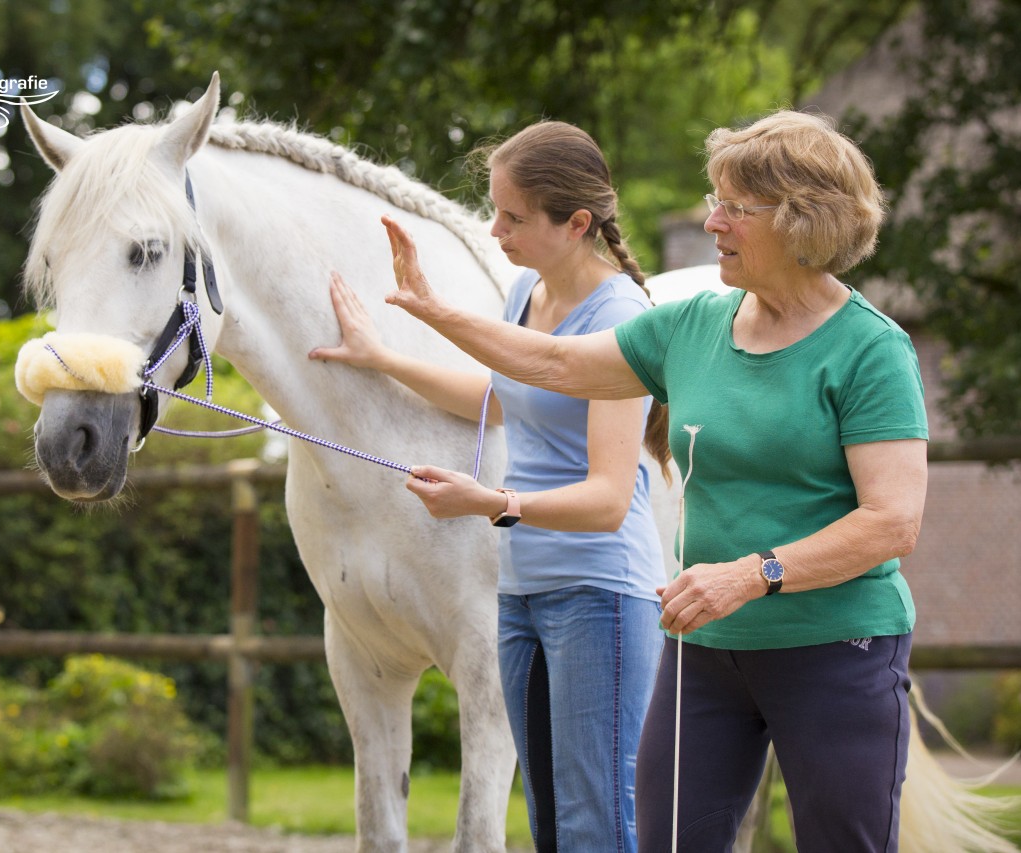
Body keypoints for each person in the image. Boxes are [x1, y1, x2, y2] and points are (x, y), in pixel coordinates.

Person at [368, 109, 929, 853]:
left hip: (837, 649)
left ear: (803, 221)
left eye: (734, 207)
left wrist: (753, 574)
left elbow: (893, 522)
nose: (712, 220)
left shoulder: (870, 352)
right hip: (706, 650)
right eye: (715, 200)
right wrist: (434, 313)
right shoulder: (689, 326)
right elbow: (554, 364)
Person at [310, 120, 669, 852]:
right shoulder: (526, 297)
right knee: (547, 829)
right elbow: (501, 398)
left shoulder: (621, 320)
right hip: (524, 595)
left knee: (597, 826)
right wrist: (382, 359)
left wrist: (491, 503)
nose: (493, 228)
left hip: (598, 595)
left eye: (513, 217)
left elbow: (606, 500)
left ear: (575, 224)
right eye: (494, 209)